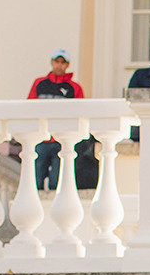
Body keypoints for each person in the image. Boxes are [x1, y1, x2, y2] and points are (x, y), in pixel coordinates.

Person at [26, 48, 99, 191]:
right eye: (56, 62)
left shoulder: (74, 88)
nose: (59, 65)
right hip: (41, 139)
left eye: (62, 62)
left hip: (62, 140)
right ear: (52, 62)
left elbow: (80, 113)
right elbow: (30, 107)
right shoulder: (39, 84)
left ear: (67, 65)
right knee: (35, 180)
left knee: (56, 181)